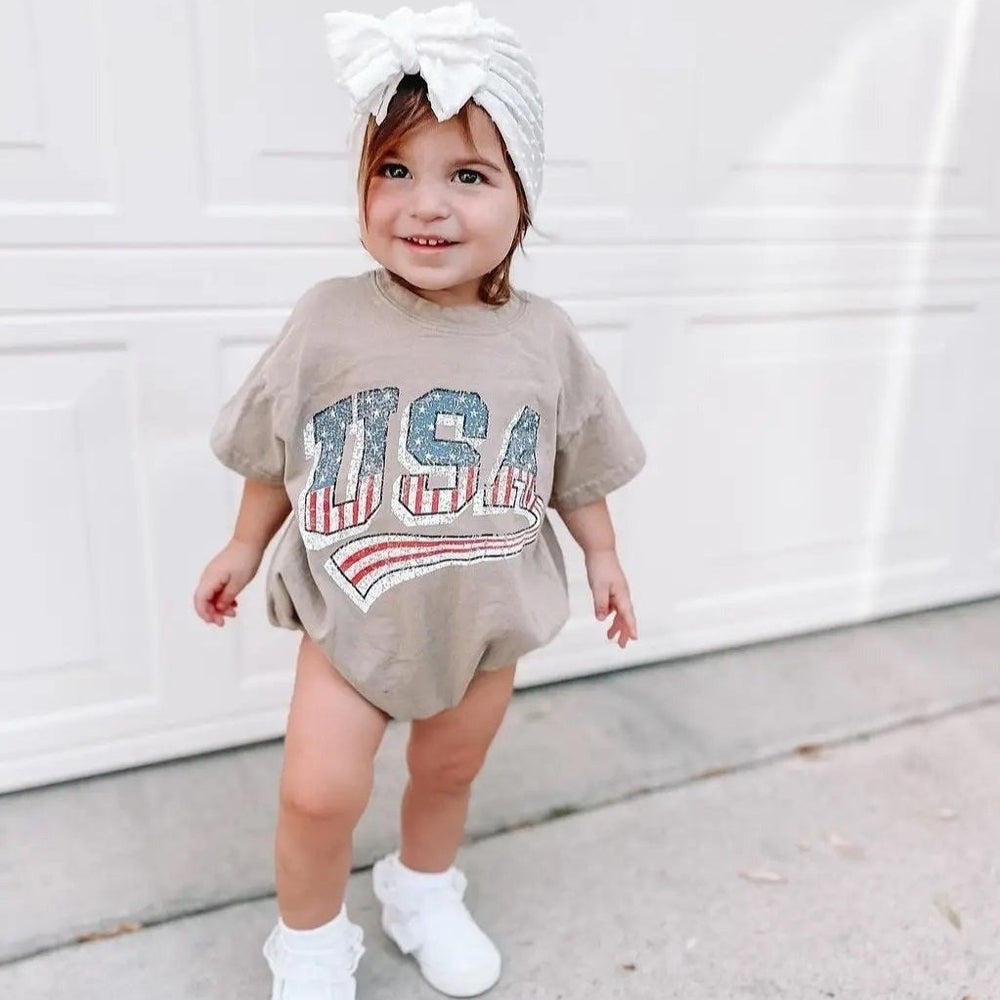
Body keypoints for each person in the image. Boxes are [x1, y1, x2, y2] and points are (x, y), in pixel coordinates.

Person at [193, 4, 646, 998]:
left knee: (446, 773)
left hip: (486, 620)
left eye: (467, 176)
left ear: (523, 197)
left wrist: (604, 556)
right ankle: (310, 943)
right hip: (352, 613)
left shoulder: (544, 336)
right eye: (394, 170)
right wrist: (242, 544)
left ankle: (422, 889)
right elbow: (275, 443)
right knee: (318, 792)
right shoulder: (330, 317)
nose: (425, 205)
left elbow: (576, 464)